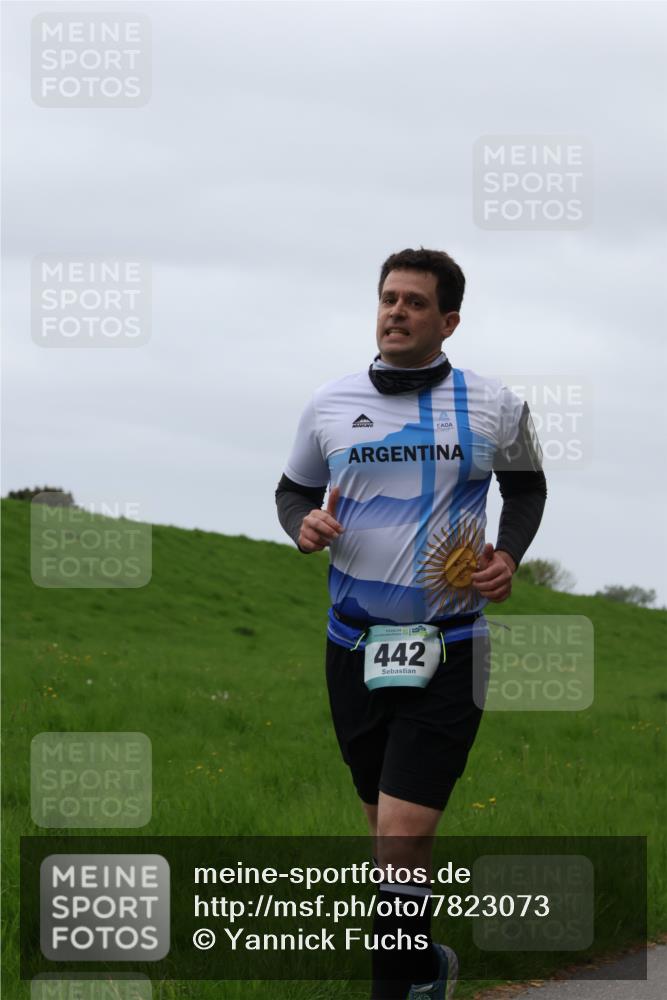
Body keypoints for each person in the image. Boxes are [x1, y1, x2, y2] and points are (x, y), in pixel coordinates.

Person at [275, 248, 547, 999]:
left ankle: (395, 990)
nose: (395, 312)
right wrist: (302, 526)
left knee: (402, 836)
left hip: (451, 646)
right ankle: (423, 965)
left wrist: (509, 556)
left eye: (414, 303)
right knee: (385, 834)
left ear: (448, 319)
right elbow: (292, 490)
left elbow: (526, 490)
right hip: (352, 648)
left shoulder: (493, 406)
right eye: (387, 298)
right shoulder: (329, 402)